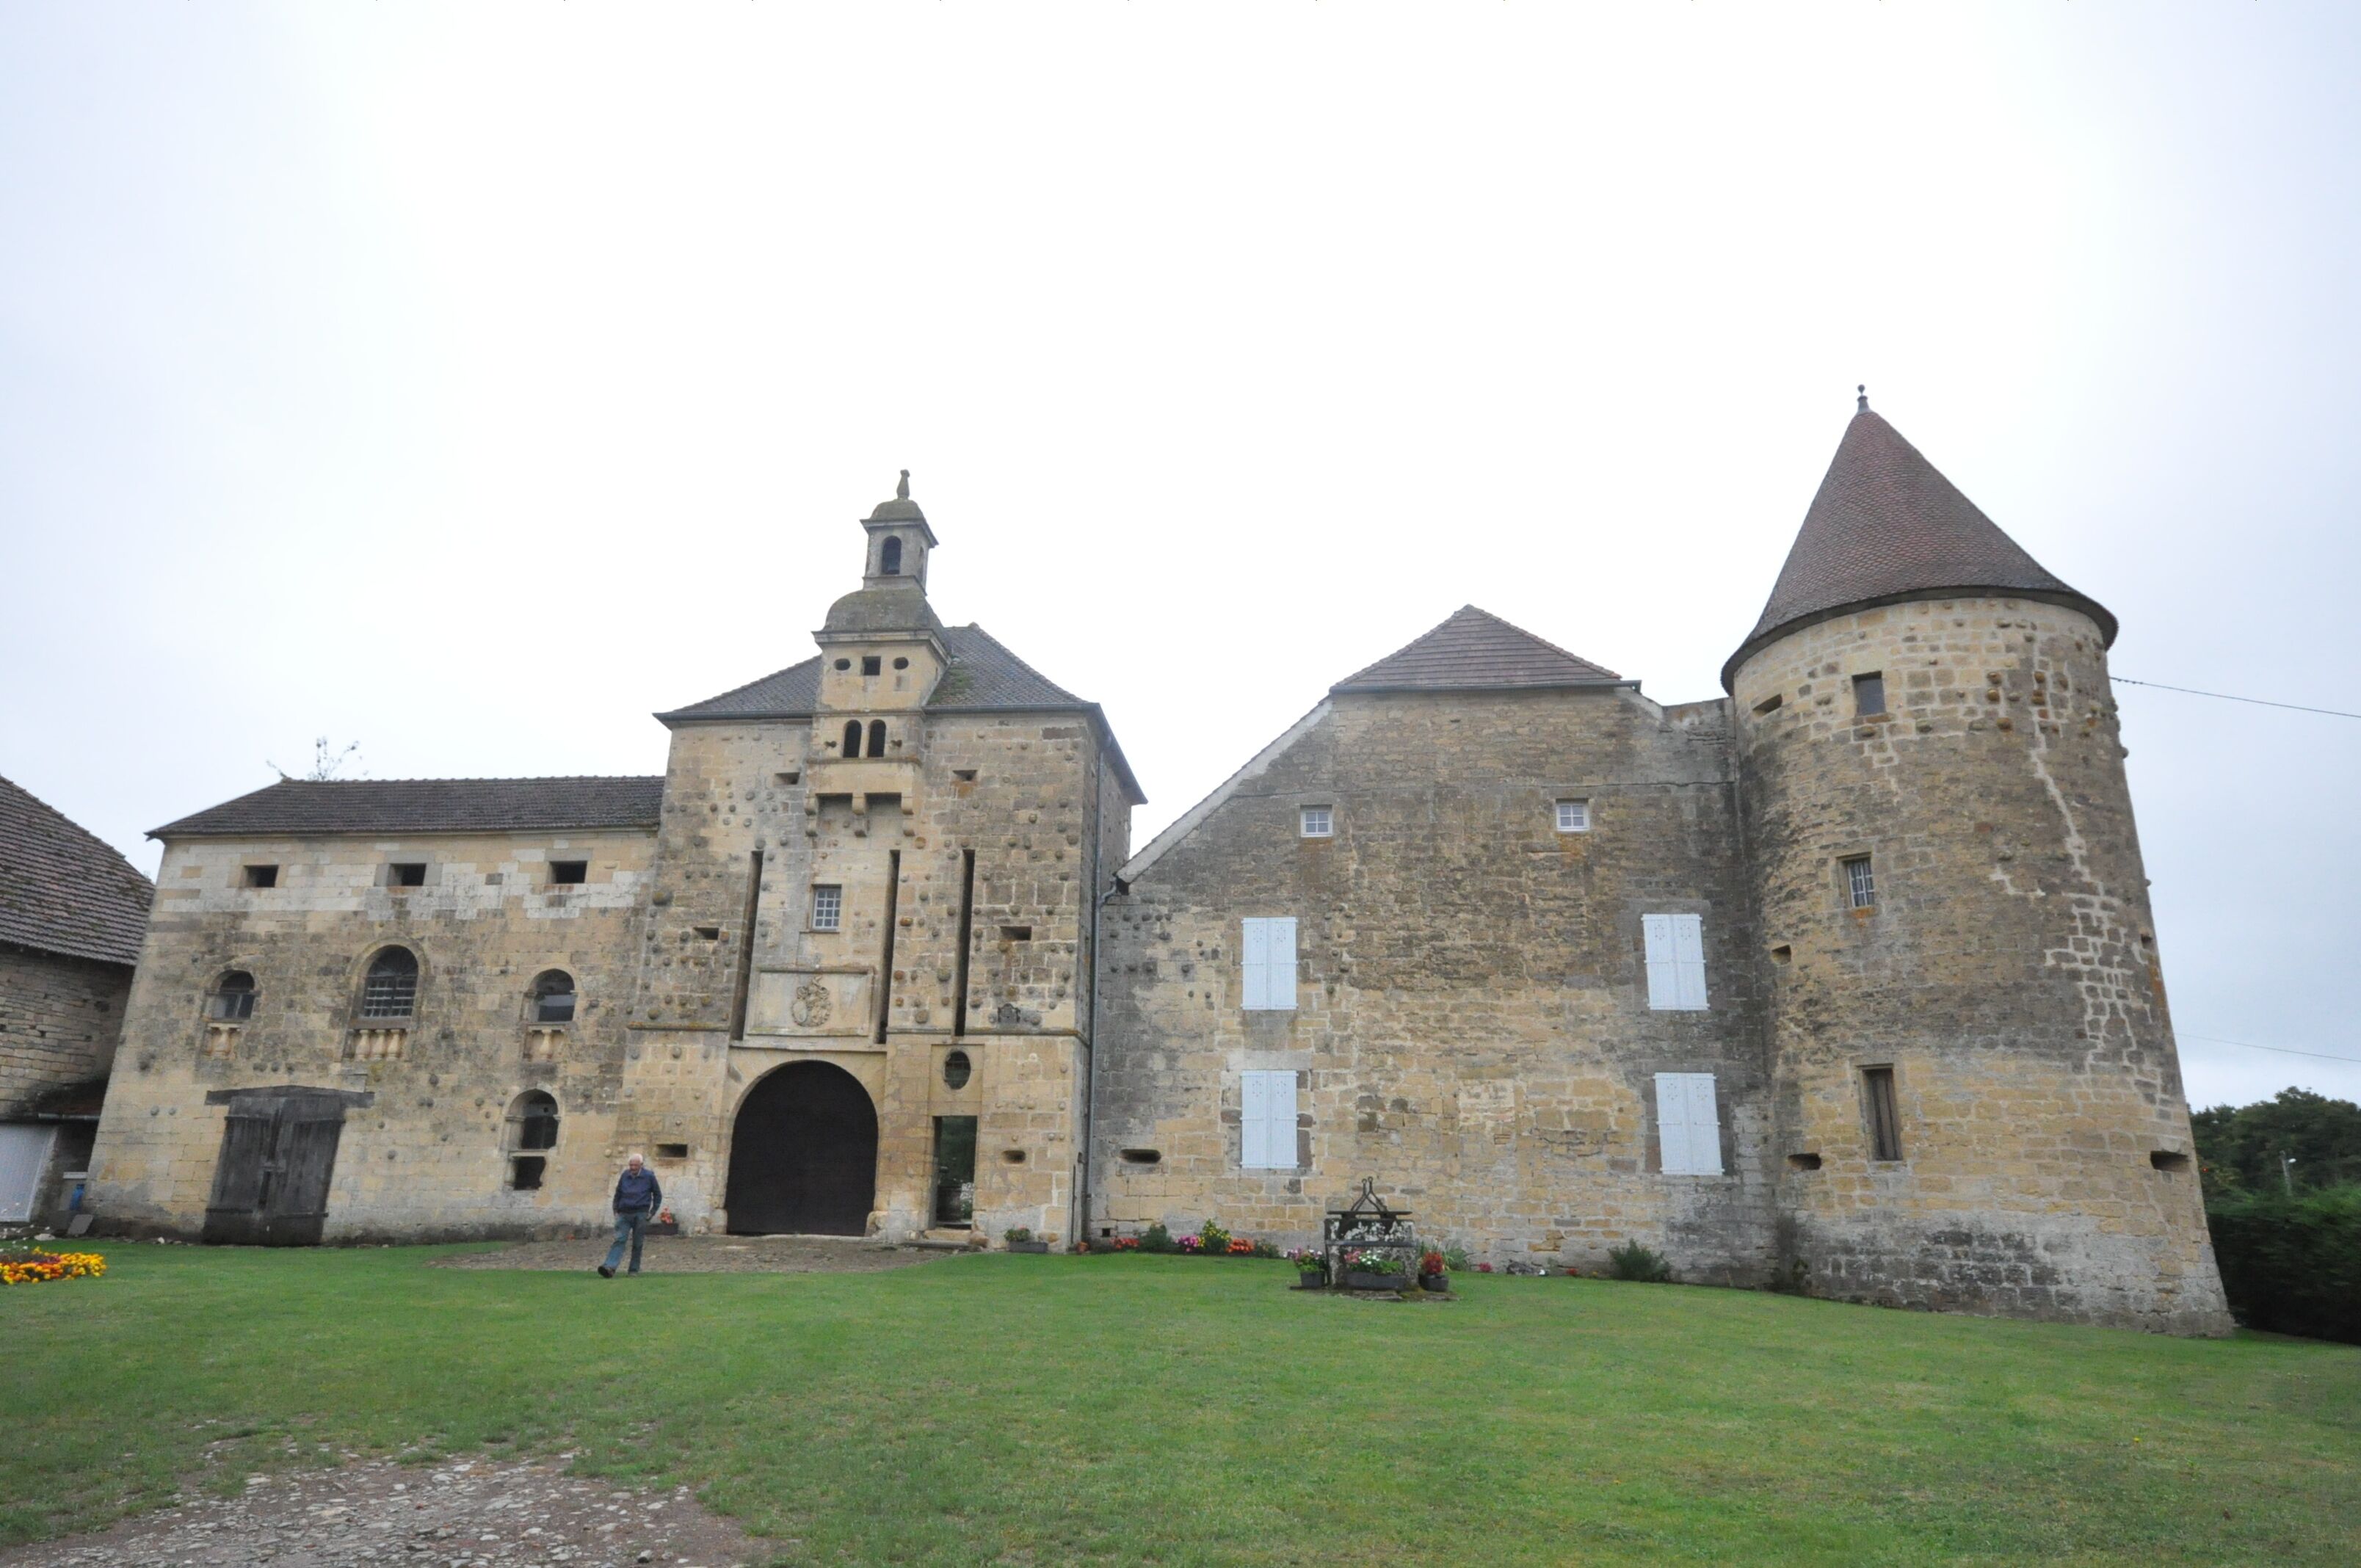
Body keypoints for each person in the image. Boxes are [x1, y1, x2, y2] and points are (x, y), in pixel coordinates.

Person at [598, 1153, 663, 1277]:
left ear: (641, 1165)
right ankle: (610, 1267)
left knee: (637, 1243)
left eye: (635, 1165)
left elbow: (657, 1194)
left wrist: (652, 1212)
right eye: (631, 1165)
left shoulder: (649, 1176)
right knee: (619, 1240)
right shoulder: (625, 1176)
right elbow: (618, 1193)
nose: (633, 1168)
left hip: (641, 1213)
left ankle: (633, 1270)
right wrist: (615, 1210)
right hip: (624, 1213)